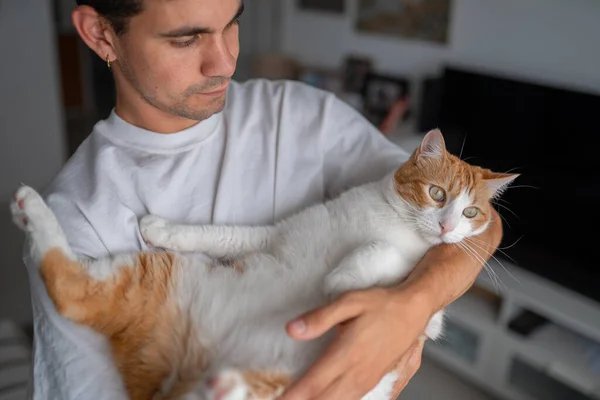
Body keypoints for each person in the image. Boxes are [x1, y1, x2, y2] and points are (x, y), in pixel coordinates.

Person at [21, 0, 502, 399]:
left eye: (232, 23)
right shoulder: (77, 212)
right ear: (101, 34)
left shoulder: (300, 112)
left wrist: (413, 307)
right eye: (186, 38)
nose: (225, 61)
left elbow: (486, 221)